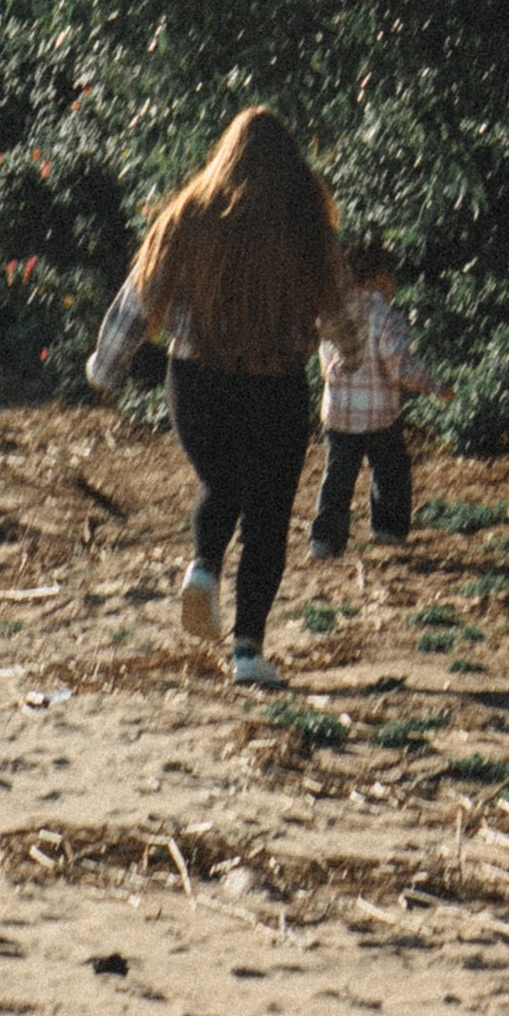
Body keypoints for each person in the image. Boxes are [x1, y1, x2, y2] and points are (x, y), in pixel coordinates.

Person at [85, 106, 353, 691]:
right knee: (267, 515)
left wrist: (106, 369)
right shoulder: (307, 226)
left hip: (195, 381)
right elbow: (338, 308)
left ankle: (203, 570)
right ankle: (248, 652)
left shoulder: (188, 216)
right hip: (275, 383)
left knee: (221, 481)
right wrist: (351, 356)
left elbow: (139, 298)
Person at [309, 235, 439, 557]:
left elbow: (326, 361)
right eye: (392, 278)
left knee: (337, 477)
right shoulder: (387, 318)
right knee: (391, 469)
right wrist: (432, 385)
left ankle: (325, 542)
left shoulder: (333, 312)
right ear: (381, 278)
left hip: (339, 415)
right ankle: (388, 532)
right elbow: (398, 366)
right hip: (380, 416)